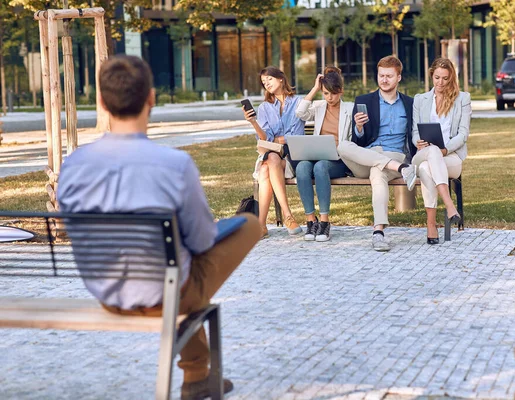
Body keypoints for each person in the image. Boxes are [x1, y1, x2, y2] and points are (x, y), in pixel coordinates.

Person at [57, 55, 262, 399]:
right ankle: (196, 375)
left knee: (178, 267)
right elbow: (201, 241)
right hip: (165, 294)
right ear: (151, 98)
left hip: (107, 293)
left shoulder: (73, 163)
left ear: (103, 103)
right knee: (250, 225)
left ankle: (198, 374)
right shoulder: (175, 164)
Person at [337, 55, 416, 252]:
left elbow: (416, 134)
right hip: (368, 155)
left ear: (399, 77)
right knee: (342, 146)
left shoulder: (410, 103)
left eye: (389, 76)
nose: (384, 80)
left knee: (377, 172)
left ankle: (378, 232)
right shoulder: (364, 101)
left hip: (395, 154)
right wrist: (359, 127)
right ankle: (402, 169)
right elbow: (358, 142)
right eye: (381, 75)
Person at [401, 57, 471, 244]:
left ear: (452, 78)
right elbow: (415, 131)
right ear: (432, 76)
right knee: (430, 153)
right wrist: (419, 142)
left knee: (426, 168)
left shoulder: (462, 99)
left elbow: (463, 134)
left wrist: (445, 150)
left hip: (451, 157)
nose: (440, 83)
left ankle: (431, 224)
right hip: (423, 152)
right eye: (437, 78)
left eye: (445, 79)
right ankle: (449, 206)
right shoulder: (420, 100)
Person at [243, 66, 304, 238]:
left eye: (269, 79)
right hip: (273, 156)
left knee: (266, 167)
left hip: (293, 156)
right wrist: (254, 123)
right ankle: (287, 216)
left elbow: (296, 135)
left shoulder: (298, 102)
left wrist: (277, 140)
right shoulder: (264, 108)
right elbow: (264, 139)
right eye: (263, 82)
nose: (266, 84)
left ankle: (261, 224)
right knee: (270, 161)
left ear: (281, 79)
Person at [294, 67, 353, 242]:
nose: (330, 98)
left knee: (320, 167)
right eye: (326, 93)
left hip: (339, 160)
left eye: (333, 94)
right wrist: (314, 89)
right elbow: (300, 113)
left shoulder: (350, 108)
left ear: (340, 91)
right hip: (318, 155)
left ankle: (325, 222)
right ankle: (311, 221)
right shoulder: (319, 107)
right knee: (303, 167)